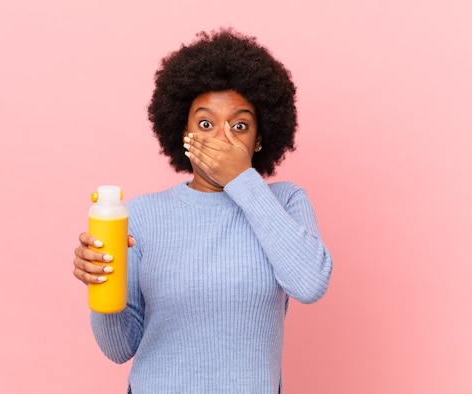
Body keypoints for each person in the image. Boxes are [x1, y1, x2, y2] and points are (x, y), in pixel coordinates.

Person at [73, 28, 333, 393]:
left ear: (259, 138)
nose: (221, 139)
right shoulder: (141, 216)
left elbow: (309, 283)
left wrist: (242, 179)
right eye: (206, 124)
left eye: (239, 126)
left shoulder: (285, 202)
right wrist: (101, 288)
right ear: (184, 133)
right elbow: (119, 349)